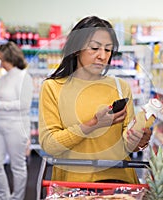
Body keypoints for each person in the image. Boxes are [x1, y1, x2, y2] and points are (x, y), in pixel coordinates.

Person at [38, 16, 151, 184]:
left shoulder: (121, 87)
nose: (102, 56)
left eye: (108, 50)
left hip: (119, 184)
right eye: (95, 48)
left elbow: (129, 146)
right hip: (74, 185)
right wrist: (93, 124)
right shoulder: (53, 88)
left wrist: (140, 140)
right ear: (76, 48)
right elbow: (49, 145)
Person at [0, 41, 33, 200]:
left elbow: (24, 104)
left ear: (11, 58)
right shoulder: (3, 78)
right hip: (0, 126)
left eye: (3, 60)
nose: (1, 63)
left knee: (17, 166)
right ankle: (4, 197)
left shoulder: (23, 77)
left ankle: (17, 198)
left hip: (16, 126)